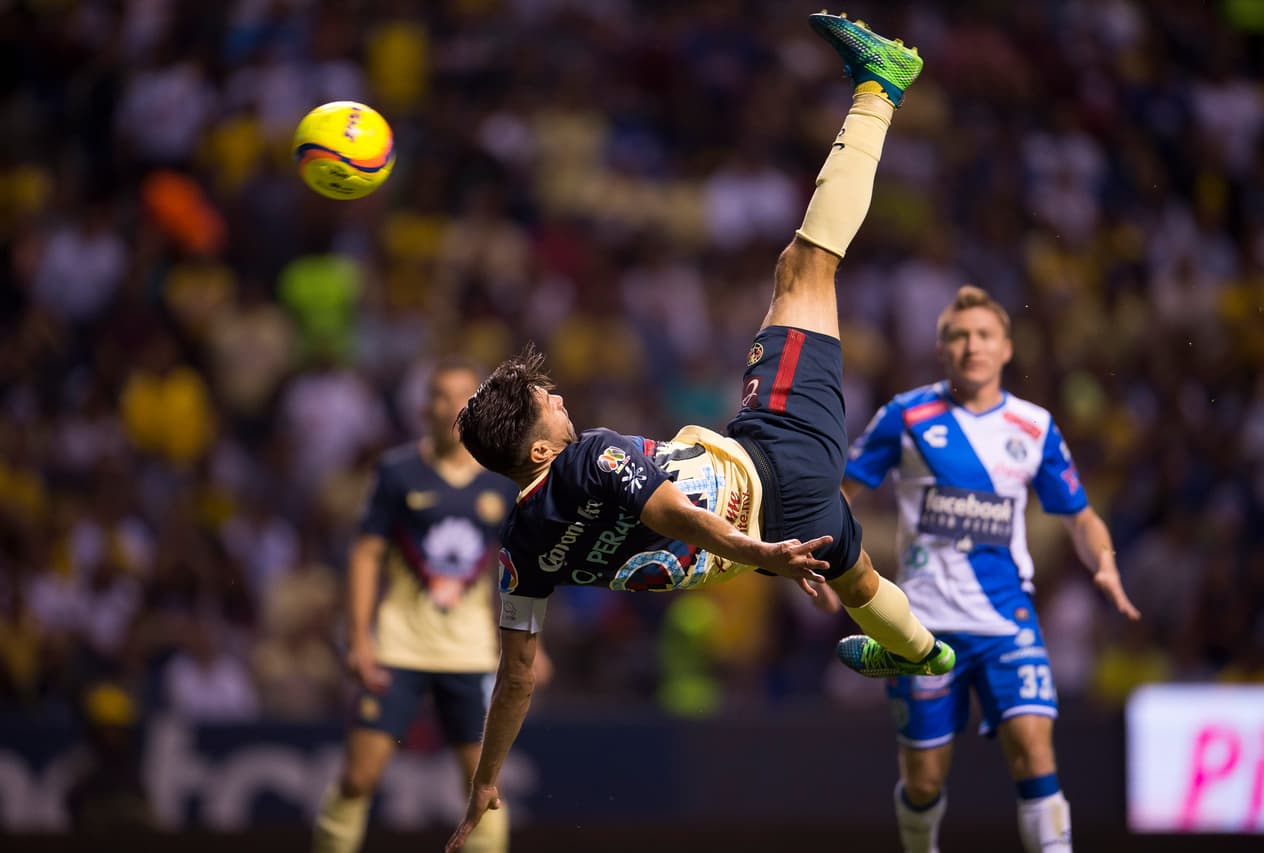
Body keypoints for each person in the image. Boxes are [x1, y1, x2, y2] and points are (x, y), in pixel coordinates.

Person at [447, 14, 953, 851]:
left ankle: (924, 652)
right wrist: (758, 554)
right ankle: (882, 87)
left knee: (857, 574)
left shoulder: (520, 551)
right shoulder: (590, 456)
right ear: (538, 447)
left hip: (781, 527)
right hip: (773, 461)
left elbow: (518, 674)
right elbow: (671, 512)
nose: (562, 398)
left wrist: (487, 776)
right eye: (548, 402)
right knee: (803, 267)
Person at [839, 284, 1141, 852]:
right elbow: (843, 496)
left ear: (1006, 348)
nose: (971, 345)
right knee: (924, 781)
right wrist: (830, 568)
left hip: (1008, 620)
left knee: (1035, 755)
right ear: (941, 349)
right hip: (921, 626)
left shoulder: (1034, 427)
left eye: (983, 335)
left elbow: (1079, 516)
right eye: (958, 335)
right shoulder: (905, 415)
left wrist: (1103, 561)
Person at [314, 358, 539, 853]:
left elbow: (526, 566)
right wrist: (358, 638)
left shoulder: (500, 481)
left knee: (483, 788)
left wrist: (533, 644)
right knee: (357, 777)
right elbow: (367, 553)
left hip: (472, 652)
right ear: (425, 409)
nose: (452, 406)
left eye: (463, 397)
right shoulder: (397, 473)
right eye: (441, 396)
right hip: (399, 648)